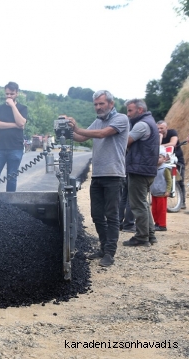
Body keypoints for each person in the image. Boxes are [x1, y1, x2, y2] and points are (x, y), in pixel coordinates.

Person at [66, 90, 129, 267]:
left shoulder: (121, 119)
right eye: (95, 104)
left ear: (111, 103)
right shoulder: (98, 121)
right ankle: (103, 247)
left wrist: (78, 128)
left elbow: (102, 134)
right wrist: (68, 128)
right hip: (98, 174)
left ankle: (110, 252)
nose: (98, 107)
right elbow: (80, 137)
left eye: (101, 104)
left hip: (114, 175)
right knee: (96, 215)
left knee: (112, 215)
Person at [122, 99, 158, 247]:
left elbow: (124, 142)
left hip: (139, 169)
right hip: (147, 169)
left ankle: (142, 237)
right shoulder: (150, 122)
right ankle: (150, 234)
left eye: (130, 110)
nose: (127, 114)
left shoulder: (141, 125)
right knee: (142, 203)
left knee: (137, 205)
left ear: (140, 110)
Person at [0, 82, 28, 192]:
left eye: (12, 94)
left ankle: (10, 204)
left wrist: (13, 106)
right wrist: (15, 125)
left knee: (12, 178)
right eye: (7, 94)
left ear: (17, 93)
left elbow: (21, 122)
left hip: (15, 148)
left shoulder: (22, 108)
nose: (9, 96)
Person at [157, 121, 185, 210]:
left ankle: (183, 202)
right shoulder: (157, 135)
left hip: (176, 159)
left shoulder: (172, 132)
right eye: (158, 128)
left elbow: (173, 143)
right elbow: (155, 145)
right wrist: (159, 138)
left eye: (161, 128)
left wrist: (160, 146)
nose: (159, 130)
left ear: (166, 128)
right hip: (163, 161)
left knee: (180, 180)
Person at [151, 149, 172, 232]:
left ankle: (162, 225)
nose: (157, 159)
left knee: (161, 210)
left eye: (159, 157)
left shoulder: (165, 169)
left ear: (164, 159)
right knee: (154, 210)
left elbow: (169, 180)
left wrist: (168, 190)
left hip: (162, 193)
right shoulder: (153, 168)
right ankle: (157, 223)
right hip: (154, 192)